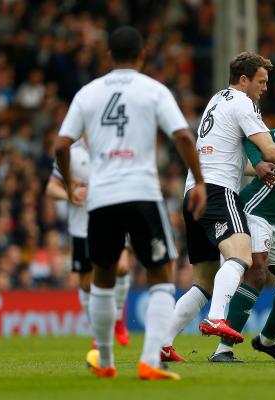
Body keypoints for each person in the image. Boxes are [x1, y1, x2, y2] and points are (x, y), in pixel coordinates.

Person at [55, 26, 206, 381]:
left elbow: (62, 145)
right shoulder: (153, 90)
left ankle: (105, 361)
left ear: (108, 57)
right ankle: (150, 360)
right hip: (141, 193)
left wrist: (69, 180)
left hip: (101, 197)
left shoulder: (87, 93)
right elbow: (183, 135)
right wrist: (199, 180)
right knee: (160, 275)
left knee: (103, 277)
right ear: (141, 56)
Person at [168, 52, 275, 358]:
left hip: (193, 191)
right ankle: (217, 319)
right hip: (218, 190)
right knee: (241, 256)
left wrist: (258, 166)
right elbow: (270, 149)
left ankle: (161, 343)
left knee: (204, 283)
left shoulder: (216, 100)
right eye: (261, 81)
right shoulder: (243, 103)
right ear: (244, 80)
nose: (264, 88)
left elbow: (238, 156)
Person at [46, 137, 131, 347]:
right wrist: (70, 193)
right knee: (86, 283)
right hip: (82, 227)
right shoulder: (71, 153)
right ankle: (99, 331)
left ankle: (118, 319)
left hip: (113, 221)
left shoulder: (114, 144)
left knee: (121, 267)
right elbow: (51, 188)